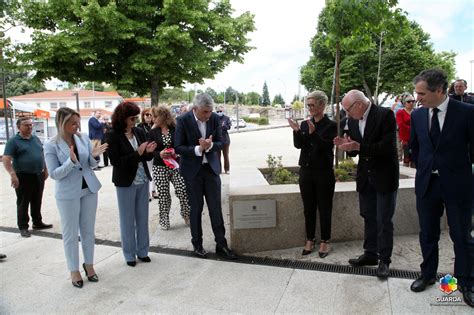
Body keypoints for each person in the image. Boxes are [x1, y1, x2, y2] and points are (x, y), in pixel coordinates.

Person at [409, 69, 474, 307]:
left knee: (461, 235)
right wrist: (427, 167)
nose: (418, 98)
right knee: (427, 234)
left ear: (439, 91)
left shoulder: (467, 112)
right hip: (427, 184)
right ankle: (427, 274)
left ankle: (466, 282)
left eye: (422, 93)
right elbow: (415, 148)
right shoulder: (417, 115)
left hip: (458, 185)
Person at [334, 90, 399, 279]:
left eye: (347, 110)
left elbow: (387, 148)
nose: (346, 115)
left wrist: (358, 147)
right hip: (365, 178)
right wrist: (347, 147)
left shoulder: (385, 115)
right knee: (368, 216)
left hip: (384, 177)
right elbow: (355, 151)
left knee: (384, 220)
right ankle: (370, 254)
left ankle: (384, 260)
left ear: (359, 105)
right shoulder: (352, 120)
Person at [44, 108, 107, 288]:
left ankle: (89, 265)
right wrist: (69, 162)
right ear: (61, 123)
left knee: (88, 231)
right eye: (73, 123)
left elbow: (90, 164)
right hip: (67, 194)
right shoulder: (51, 144)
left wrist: (95, 157)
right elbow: (55, 174)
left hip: (89, 189)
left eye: (78, 122)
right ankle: (74, 269)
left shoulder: (82, 137)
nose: (77, 126)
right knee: (70, 234)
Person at [175, 93, 236, 259]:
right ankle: (197, 245)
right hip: (192, 173)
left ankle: (221, 245)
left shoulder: (215, 118)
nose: (208, 115)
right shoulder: (183, 120)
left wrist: (209, 147)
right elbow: (178, 147)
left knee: (215, 208)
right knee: (196, 209)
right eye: (205, 112)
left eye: (210, 111)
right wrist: (198, 149)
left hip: (211, 170)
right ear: (195, 109)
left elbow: (222, 142)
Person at [107, 102, 157, 267]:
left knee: (143, 218)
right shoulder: (112, 135)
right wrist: (138, 153)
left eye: (136, 117)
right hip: (125, 183)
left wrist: (149, 152)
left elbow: (147, 158)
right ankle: (129, 254)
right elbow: (117, 162)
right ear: (122, 118)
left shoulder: (139, 131)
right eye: (132, 118)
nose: (135, 121)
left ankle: (143, 251)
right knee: (127, 220)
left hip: (142, 181)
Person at [288, 91, 337, 258]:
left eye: (312, 105)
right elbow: (299, 146)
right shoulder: (305, 124)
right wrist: (296, 131)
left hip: (323, 172)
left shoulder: (331, 125)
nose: (309, 108)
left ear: (322, 105)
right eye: (308, 105)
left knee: (324, 208)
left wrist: (314, 133)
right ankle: (309, 239)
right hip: (306, 172)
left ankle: (325, 241)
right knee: (308, 209)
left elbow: (325, 147)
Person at [3, 117, 52, 237]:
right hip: (23, 176)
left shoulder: (35, 138)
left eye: (31, 125)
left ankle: (37, 222)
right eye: (26, 125)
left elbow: (41, 154)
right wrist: (12, 174)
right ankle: (23, 226)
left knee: (37, 200)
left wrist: (45, 169)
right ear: (18, 127)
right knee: (23, 202)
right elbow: (6, 159)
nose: (30, 127)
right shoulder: (13, 141)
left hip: (38, 174)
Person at [148, 106, 190, 230]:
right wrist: (159, 154)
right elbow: (149, 151)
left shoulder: (175, 128)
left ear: (164, 116)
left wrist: (176, 152)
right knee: (164, 195)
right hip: (160, 167)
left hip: (175, 164)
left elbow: (181, 144)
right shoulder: (153, 132)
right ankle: (164, 219)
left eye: (156, 116)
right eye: (152, 116)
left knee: (182, 190)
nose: (153, 119)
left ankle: (186, 214)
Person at [137, 108, 158, 200]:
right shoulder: (140, 126)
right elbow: (145, 138)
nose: (149, 116)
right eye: (147, 115)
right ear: (143, 116)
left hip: (156, 151)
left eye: (150, 115)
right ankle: (148, 192)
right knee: (148, 172)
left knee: (154, 172)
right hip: (146, 152)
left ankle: (153, 190)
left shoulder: (155, 125)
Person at [396, 93, 415, 167]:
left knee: (414, 158)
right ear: (404, 103)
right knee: (406, 158)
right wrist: (413, 129)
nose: (411, 103)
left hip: (415, 138)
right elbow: (401, 124)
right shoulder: (400, 112)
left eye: (413, 101)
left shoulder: (416, 112)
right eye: (409, 101)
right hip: (405, 138)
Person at [216, 105, 232, 174]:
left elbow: (229, 127)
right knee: (217, 157)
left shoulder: (226, 118)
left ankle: (227, 169)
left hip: (225, 141)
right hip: (217, 141)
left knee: (226, 156)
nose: (219, 112)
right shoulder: (215, 118)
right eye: (218, 111)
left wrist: (224, 126)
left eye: (220, 111)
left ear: (223, 111)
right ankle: (219, 170)